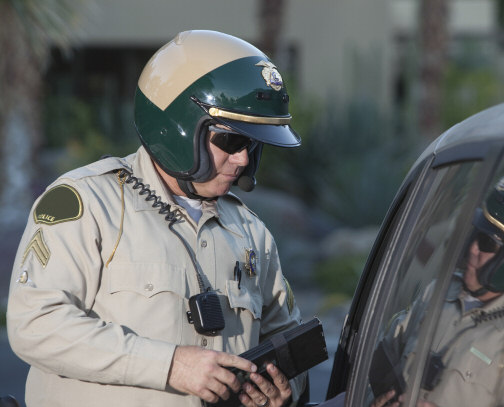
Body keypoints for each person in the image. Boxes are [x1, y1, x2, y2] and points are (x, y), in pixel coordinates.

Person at [7, 30, 306, 407]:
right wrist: (169, 365)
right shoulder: (88, 203)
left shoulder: (252, 235)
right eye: (231, 141)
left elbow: (289, 346)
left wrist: (284, 392)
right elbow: (34, 325)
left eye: (253, 144)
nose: (244, 159)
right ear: (178, 126)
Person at [366, 167, 504, 407]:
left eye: (488, 242)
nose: (473, 249)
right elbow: (379, 362)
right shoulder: (435, 294)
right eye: (476, 233)